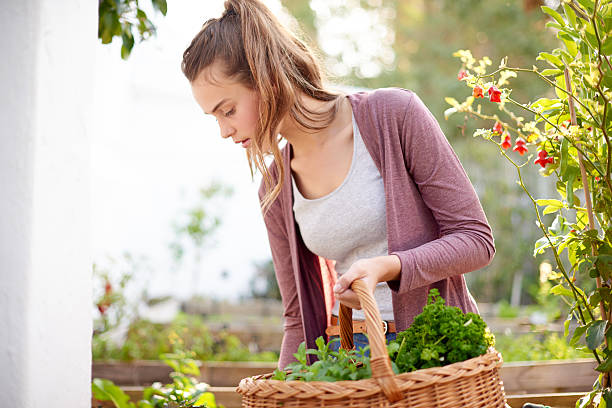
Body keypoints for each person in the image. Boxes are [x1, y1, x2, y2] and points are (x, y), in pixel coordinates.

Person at [181, 0, 495, 369]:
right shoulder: (274, 188)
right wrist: (284, 389)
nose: (223, 130)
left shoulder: (394, 116)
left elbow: (476, 240)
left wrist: (389, 266)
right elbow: (297, 319)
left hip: (436, 354)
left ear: (265, 78)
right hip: (347, 358)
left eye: (227, 110)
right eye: (214, 117)